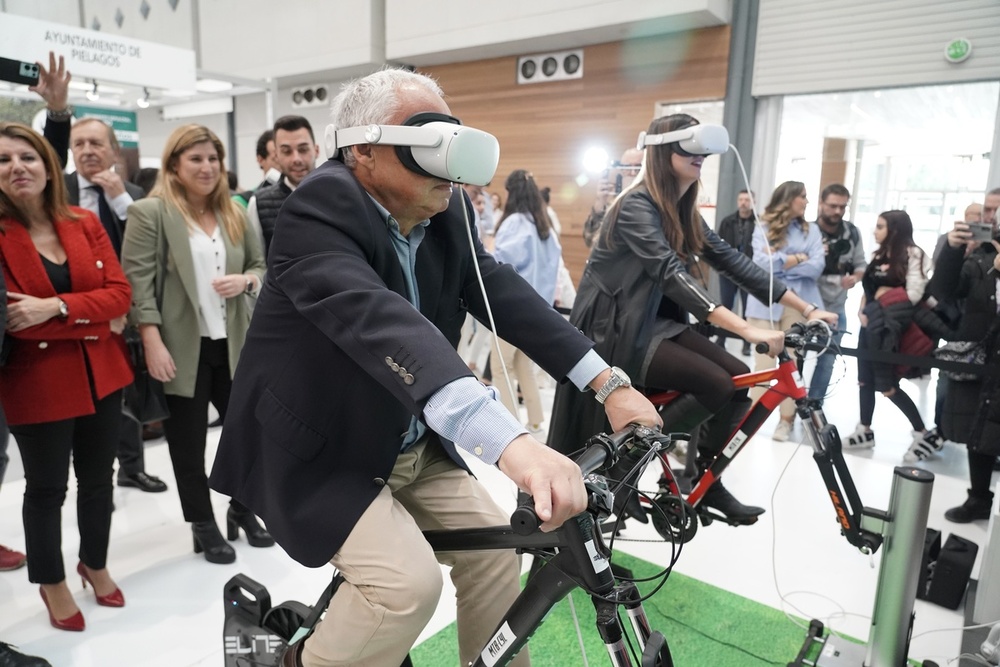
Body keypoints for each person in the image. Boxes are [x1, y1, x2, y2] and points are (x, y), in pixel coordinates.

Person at [208, 68, 659, 667]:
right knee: (404, 588)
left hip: (407, 442)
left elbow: (500, 292)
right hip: (325, 449)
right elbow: (385, 326)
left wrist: (608, 382)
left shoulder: (445, 211)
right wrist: (515, 446)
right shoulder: (319, 207)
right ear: (362, 150)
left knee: (501, 554)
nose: (449, 160)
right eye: (428, 140)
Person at [549, 113, 836, 524]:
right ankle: (624, 470)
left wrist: (807, 308)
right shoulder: (635, 205)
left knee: (736, 379)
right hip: (617, 328)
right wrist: (745, 327)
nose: (700, 156)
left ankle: (704, 480)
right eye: (690, 147)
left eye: (703, 149)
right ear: (664, 150)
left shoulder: (681, 210)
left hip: (656, 324)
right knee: (715, 383)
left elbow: (734, 262)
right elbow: (671, 273)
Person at [0, 121, 133, 631]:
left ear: (48, 166)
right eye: (5, 160)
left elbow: (120, 295)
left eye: (27, 157)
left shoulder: (82, 220)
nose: (17, 167)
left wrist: (52, 308)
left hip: (104, 373)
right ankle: (51, 579)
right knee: (46, 488)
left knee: (100, 480)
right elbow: (13, 319)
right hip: (35, 384)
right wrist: (87, 317)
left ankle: (93, 562)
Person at [121, 124, 269, 564]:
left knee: (251, 436)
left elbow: (261, 265)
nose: (207, 168)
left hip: (234, 344)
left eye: (213, 159)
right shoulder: (151, 213)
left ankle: (242, 509)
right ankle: (201, 523)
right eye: (196, 159)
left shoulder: (235, 212)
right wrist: (151, 340)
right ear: (174, 165)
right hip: (181, 347)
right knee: (187, 444)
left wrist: (246, 280)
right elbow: (137, 284)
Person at [65, 117, 169, 493]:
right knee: (86, 399)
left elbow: (152, 248)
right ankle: (94, 479)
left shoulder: (133, 194)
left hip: (128, 308)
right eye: (79, 144)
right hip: (76, 311)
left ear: (112, 150)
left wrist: (120, 202)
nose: (88, 151)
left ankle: (132, 467)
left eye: (96, 143)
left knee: (131, 391)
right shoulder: (58, 193)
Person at [840, 210, 935, 453]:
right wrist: (864, 309)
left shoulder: (914, 255)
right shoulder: (879, 254)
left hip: (891, 330)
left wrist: (885, 300)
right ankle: (865, 429)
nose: (875, 231)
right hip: (868, 326)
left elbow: (914, 293)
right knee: (864, 380)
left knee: (887, 384)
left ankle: (922, 433)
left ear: (894, 229)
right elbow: (870, 289)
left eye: (880, 226)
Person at [933, 188, 1000, 521]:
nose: (990, 216)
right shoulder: (979, 255)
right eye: (987, 210)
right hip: (983, 357)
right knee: (980, 430)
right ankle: (978, 497)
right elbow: (944, 291)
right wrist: (952, 248)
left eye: (996, 210)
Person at [744, 181, 826, 442]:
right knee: (763, 365)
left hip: (798, 303)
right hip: (763, 303)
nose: (806, 201)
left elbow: (816, 267)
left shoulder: (811, 230)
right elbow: (759, 266)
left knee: (792, 364)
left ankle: (786, 422)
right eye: (802, 196)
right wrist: (798, 257)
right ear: (788, 199)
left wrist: (781, 260)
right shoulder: (763, 227)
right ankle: (750, 421)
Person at [489, 169, 563, 433]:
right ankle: (535, 420)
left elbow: (501, 263)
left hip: (511, 308)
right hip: (539, 309)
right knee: (524, 366)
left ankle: (509, 426)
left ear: (512, 192)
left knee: (502, 366)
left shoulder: (514, 223)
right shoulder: (545, 227)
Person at [808, 184, 866, 405]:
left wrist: (855, 277)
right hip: (806, 304)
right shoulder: (807, 231)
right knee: (796, 358)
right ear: (821, 204)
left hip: (836, 306)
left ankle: (814, 406)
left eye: (842, 207)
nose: (837, 212)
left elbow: (861, 264)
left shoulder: (851, 233)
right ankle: (790, 409)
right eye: (832, 206)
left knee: (828, 359)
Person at [246, 115, 320, 255]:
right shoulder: (258, 203)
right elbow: (258, 264)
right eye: (287, 151)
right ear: (276, 155)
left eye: (303, 149)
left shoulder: (337, 195)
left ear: (316, 150)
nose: (296, 159)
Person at [715, 189, 757, 355]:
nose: (743, 203)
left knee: (748, 308)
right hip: (728, 272)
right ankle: (721, 339)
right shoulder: (728, 222)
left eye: (747, 199)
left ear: (753, 201)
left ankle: (746, 343)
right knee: (725, 307)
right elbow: (717, 244)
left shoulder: (758, 223)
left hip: (749, 272)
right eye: (741, 199)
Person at [582, 147, 643, 248]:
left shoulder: (656, 201)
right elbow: (590, 240)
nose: (632, 173)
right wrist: (600, 204)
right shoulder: (613, 205)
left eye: (637, 168)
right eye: (627, 168)